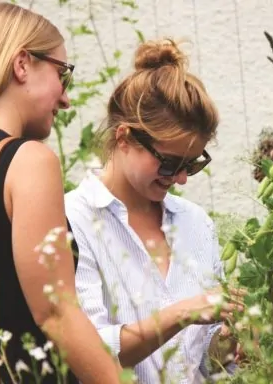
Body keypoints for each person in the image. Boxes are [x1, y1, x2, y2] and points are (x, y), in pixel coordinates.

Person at [0, 3, 121, 384]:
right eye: (62, 74)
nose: (66, 98)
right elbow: (56, 313)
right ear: (22, 65)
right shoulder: (28, 162)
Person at [65, 38, 245, 383]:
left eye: (192, 165)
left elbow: (205, 364)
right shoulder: (72, 220)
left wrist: (229, 342)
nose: (180, 178)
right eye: (169, 163)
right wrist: (186, 311)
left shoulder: (195, 222)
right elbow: (89, 351)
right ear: (124, 138)